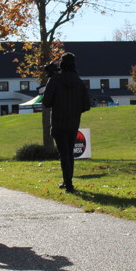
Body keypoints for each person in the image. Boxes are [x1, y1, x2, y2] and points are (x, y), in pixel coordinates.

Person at [42, 52, 91, 193]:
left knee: (63, 153)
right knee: (69, 152)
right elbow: (86, 105)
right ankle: (68, 181)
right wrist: (74, 109)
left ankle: (68, 184)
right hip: (73, 122)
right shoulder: (79, 82)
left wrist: (51, 79)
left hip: (58, 122)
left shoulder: (55, 80)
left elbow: (46, 102)